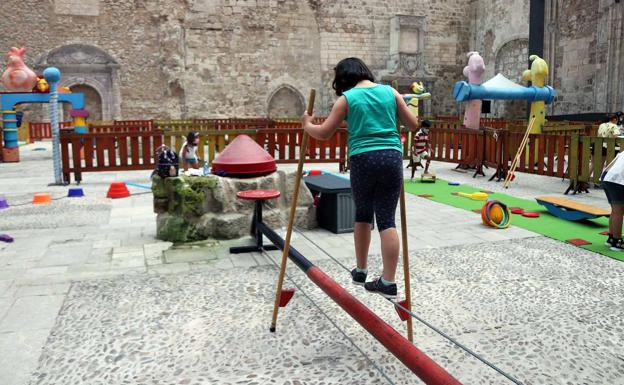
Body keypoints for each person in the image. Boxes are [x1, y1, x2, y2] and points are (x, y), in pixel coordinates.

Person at [301, 57, 419, 299]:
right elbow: (413, 125)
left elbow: (323, 133)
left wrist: (306, 125)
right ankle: (388, 281)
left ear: (342, 80)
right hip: (391, 156)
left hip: (363, 159)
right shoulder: (391, 92)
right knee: (387, 219)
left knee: (363, 213)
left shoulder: (347, 99)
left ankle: (361, 270)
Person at [601, 151, 624, 251]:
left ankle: (611, 238)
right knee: (619, 211)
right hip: (616, 179)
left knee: (615, 210)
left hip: (607, 176)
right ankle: (617, 241)